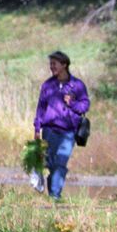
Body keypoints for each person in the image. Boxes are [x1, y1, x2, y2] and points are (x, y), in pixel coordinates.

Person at [32, 50, 89, 199]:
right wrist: (37, 129)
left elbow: (85, 106)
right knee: (51, 164)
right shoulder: (47, 85)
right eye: (50, 64)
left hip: (69, 132)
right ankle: (53, 191)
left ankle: (55, 195)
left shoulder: (77, 85)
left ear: (64, 64)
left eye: (54, 64)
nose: (51, 67)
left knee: (61, 162)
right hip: (49, 130)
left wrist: (73, 103)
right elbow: (40, 108)